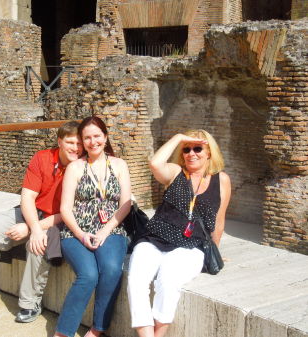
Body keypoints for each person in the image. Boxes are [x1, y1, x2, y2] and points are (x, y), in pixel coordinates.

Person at [0, 121, 82, 323]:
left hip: (60, 220)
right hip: (31, 212)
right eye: (70, 142)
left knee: (38, 243)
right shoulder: (42, 158)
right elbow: (27, 198)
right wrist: (33, 225)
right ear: (60, 142)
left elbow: (70, 212)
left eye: (79, 144)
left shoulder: (82, 167)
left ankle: (30, 303)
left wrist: (33, 230)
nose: (75, 148)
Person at [127, 129, 231, 337]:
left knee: (167, 280)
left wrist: (214, 252)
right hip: (155, 238)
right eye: (187, 149)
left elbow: (219, 222)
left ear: (209, 152)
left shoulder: (222, 180)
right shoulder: (175, 172)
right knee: (136, 280)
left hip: (191, 246)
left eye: (198, 148)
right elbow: (155, 164)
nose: (191, 153)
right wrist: (179, 138)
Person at [53, 116, 131, 337]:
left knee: (112, 269)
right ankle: (63, 333)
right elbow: (65, 209)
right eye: (87, 137)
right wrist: (81, 233)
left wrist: (105, 231)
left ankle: (98, 329)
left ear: (105, 138)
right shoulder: (76, 167)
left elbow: (125, 205)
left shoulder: (119, 165)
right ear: (82, 141)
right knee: (88, 274)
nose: (92, 141)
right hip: (76, 230)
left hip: (112, 228)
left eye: (97, 136)